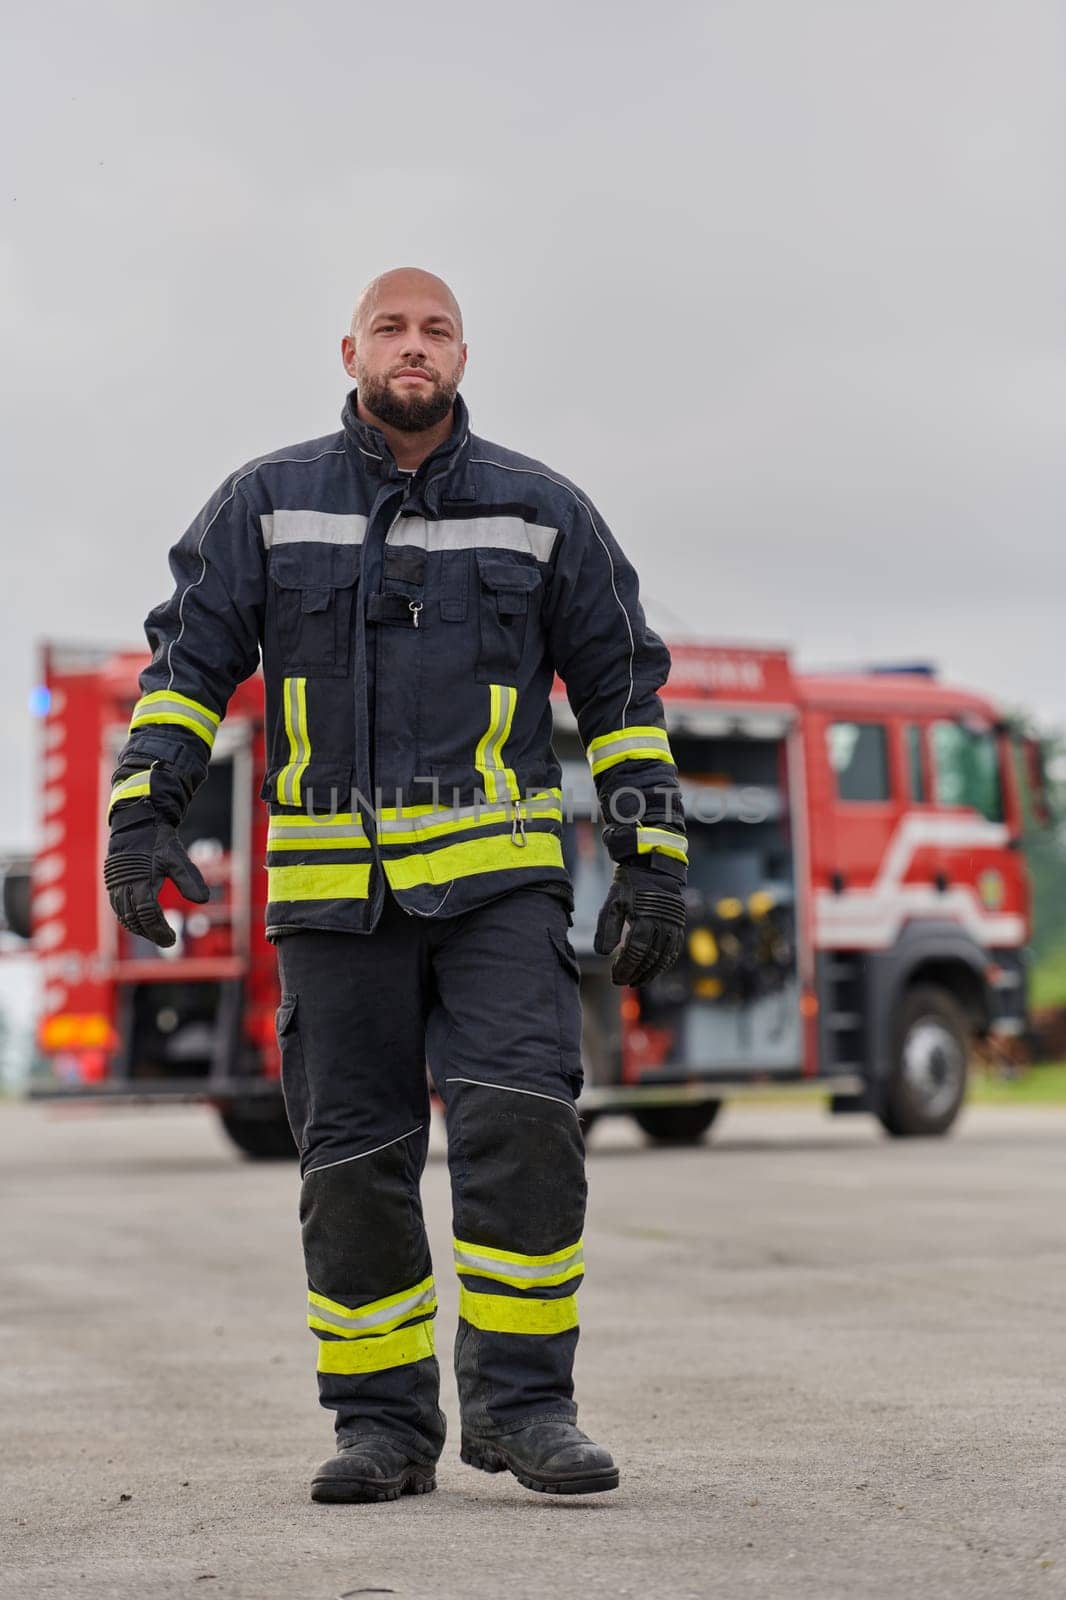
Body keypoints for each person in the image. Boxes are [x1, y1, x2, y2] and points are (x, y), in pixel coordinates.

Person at [103, 267, 688, 1503]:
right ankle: (380, 1428)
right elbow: (185, 668)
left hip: (496, 891)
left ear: (463, 354)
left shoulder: (543, 510)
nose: (410, 347)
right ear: (351, 349)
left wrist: (650, 854)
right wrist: (140, 818)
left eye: (433, 330)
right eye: (390, 328)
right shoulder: (265, 504)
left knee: (524, 1128)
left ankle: (526, 1411)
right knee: (350, 1165)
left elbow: (623, 688)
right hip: (333, 903)